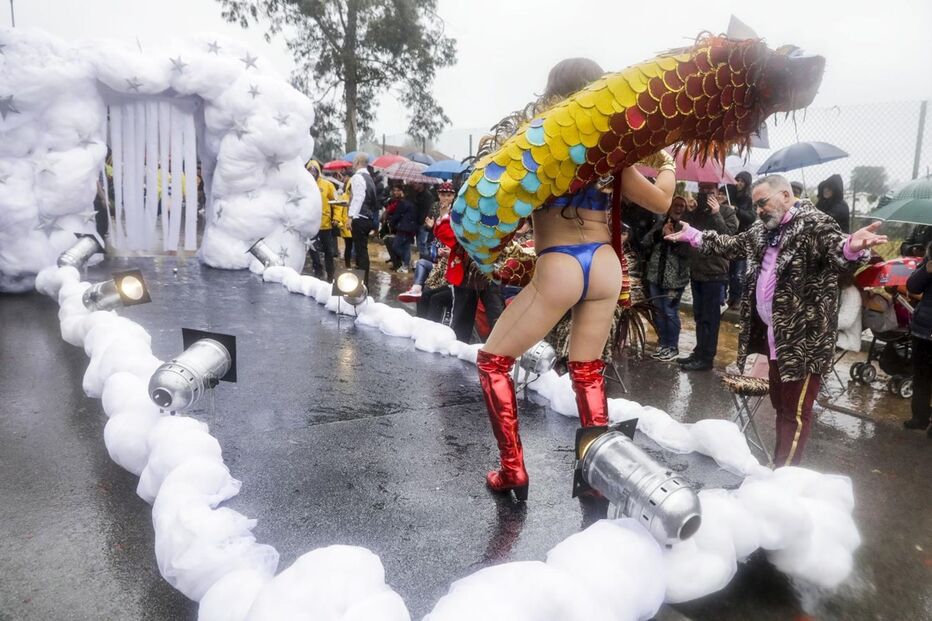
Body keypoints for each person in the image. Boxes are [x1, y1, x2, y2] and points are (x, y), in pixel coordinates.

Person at [474, 58, 677, 500]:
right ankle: (596, 480)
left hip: (560, 261)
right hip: (604, 263)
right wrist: (669, 163)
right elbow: (662, 201)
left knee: (493, 363)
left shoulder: (539, 146)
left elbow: (496, 205)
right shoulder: (611, 152)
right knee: (588, 371)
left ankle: (513, 471)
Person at [665, 174, 887, 465]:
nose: (759, 210)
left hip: (804, 341)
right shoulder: (762, 229)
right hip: (774, 337)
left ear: (785, 196)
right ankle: (779, 468)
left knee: (794, 413)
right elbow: (733, 245)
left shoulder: (815, 225)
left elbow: (837, 250)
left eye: (763, 203)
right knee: (780, 405)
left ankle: (783, 478)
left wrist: (852, 248)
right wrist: (694, 235)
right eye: (756, 205)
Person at [679, 182, 738, 371]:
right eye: (701, 190)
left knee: (710, 319)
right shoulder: (697, 211)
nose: (704, 194)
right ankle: (699, 352)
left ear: (718, 192)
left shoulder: (727, 212)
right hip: (696, 271)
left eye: (709, 191)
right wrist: (688, 212)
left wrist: (716, 213)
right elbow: (687, 232)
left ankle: (707, 358)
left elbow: (728, 236)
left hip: (715, 273)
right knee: (699, 316)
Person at [643, 195, 690, 361]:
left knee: (670, 312)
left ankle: (672, 346)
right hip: (655, 276)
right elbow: (646, 241)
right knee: (658, 312)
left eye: (681, 206)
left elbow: (688, 253)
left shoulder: (687, 227)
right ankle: (662, 343)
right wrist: (660, 233)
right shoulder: (662, 222)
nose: (678, 208)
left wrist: (674, 239)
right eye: (675, 205)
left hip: (675, 279)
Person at [400, 182, 457, 301]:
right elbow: (434, 228)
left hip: (451, 259)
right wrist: (431, 226)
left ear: (453, 196)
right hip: (436, 249)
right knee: (421, 263)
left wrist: (443, 220)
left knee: (432, 294)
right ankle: (416, 289)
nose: (445, 198)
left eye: (448, 195)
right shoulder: (435, 206)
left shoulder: (457, 211)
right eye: (443, 195)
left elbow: (450, 234)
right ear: (438, 195)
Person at [904, 243, 932, 435]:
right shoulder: (929, 261)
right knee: (921, 376)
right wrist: (927, 270)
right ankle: (920, 417)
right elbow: (912, 286)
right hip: (924, 330)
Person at [347, 154, 379, 285]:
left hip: (360, 217)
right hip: (368, 217)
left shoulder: (357, 176)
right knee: (362, 250)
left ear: (359, 162)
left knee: (361, 252)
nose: (352, 163)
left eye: (354, 161)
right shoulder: (369, 178)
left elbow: (358, 197)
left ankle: (362, 283)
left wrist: (350, 216)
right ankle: (363, 282)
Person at [307, 160, 338, 282]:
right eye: (310, 170)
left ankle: (330, 274)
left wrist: (336, 217)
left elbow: (337, 202)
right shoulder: (305, 186)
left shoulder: (327, 185)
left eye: (315, 170)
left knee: (328, 251)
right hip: (311, 225)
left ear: (318, 171)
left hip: (326, 224)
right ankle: (318, 271)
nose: (312, 172)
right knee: (312, 249)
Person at [728, 171, 755, 309]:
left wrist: (737, 210)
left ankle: (738, 298)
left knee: (739, 271)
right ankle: (731, 297)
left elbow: (751, 217)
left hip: (742, 237)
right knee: (730, 270)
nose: (739, 183)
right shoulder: (729, 195)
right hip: (730, 237)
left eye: (742, 181)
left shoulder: (749, 199)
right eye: (737, 180)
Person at [388, 185, 418, 272]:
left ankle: (407, 261)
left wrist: (391, 224)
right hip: (411, 229)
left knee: (396, 247)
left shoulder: (403, 203)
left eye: (401, 191)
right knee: (406, 247)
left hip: (403, 228)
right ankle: (405, 266)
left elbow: (396, 215)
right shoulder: (414, 202)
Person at [410, 182, 435, 258]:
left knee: (423, 244)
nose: (415, 184)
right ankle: (422, 260)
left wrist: (425, 222)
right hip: (417, 222)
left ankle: (425, 260)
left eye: (417, 183)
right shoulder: (416, 194)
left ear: (422, 184)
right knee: (420, 244)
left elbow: (429, 211)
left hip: (423, 224)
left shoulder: (428, 196)